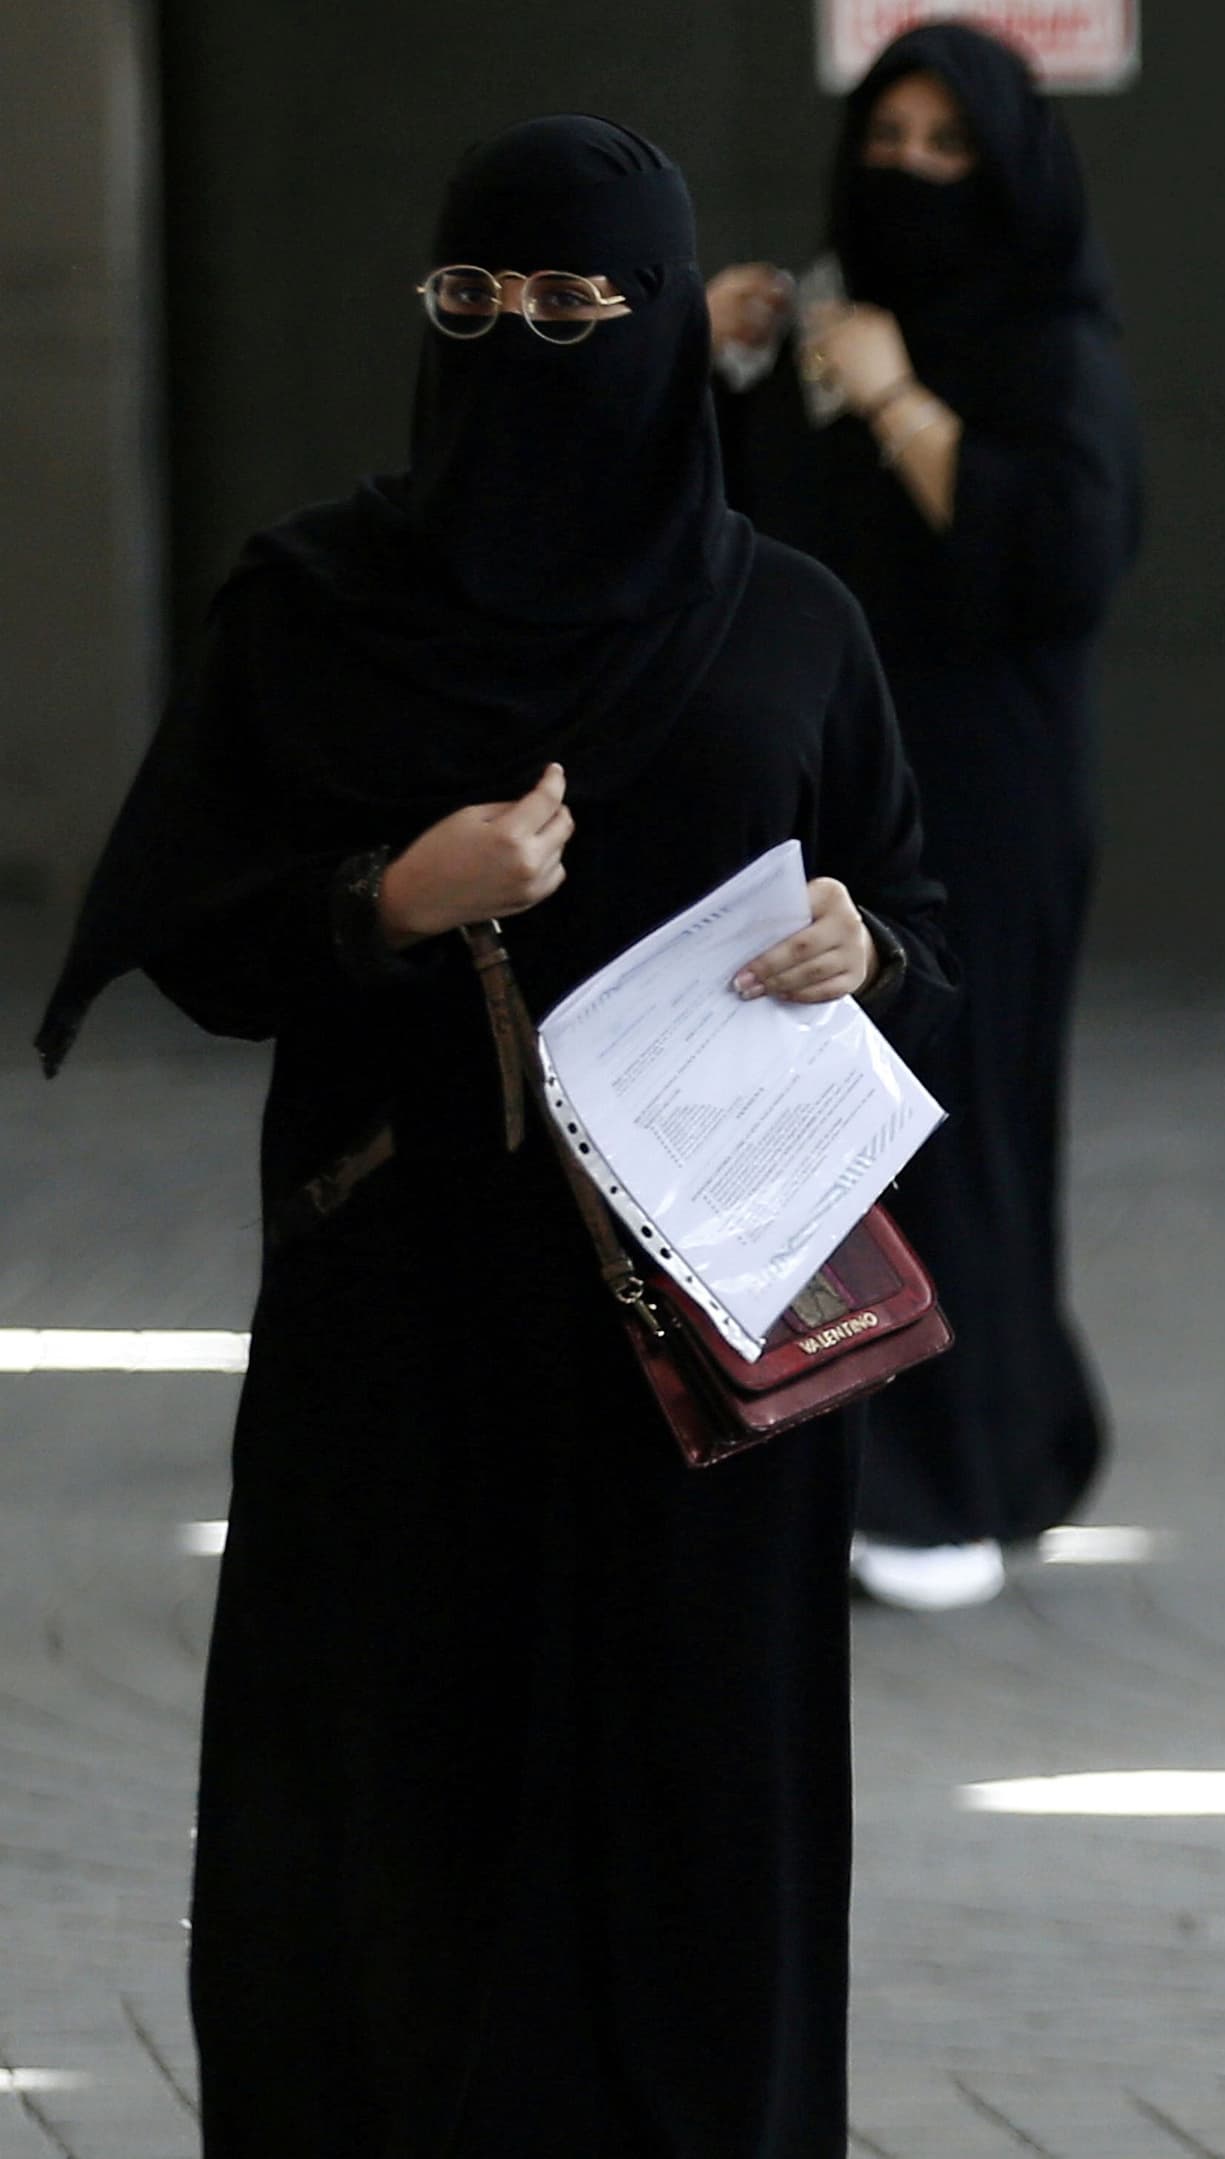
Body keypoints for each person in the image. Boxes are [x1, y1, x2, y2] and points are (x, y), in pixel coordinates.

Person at [34, 117, 951, 2151]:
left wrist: (855, 940)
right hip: (413, 1324)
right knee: (394, 1813)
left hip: (712, 1342)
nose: (519, 343)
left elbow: (917, 907)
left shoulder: (787, 621)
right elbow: (193, 929)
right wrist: (389, 894)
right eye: (474, 302)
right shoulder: (319, 608)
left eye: (572, 305)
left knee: (696, 1815)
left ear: (653, 320)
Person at [709, 19, 1142, 1612]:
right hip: (839, 809)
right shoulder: (836, 322)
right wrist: (724, 360)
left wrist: (896, 400)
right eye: (885, 139)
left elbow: (1058, 564)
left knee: (963, 1127)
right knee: (835, 1140)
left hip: (991, 805)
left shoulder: (1049, 348)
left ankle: (968, 1466)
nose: (907, 171)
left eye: (947, 146)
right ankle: (859, 1447)